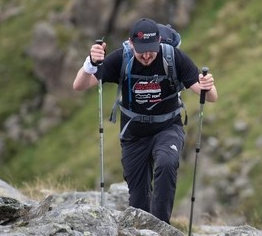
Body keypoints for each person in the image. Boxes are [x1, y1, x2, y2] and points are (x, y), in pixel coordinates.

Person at [72, 17, 218, 223]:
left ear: (159, 42)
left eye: (152, 49)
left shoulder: (173, 58)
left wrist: (207, 86)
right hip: (134, 135)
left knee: (167, 163)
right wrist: (90, 63)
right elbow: (79, 85)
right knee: (139, 203)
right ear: (131, 44)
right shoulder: (121, 58)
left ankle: (160, 227)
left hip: (168, 127)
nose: (148, 55)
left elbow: (210, 97)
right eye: (141, 50)